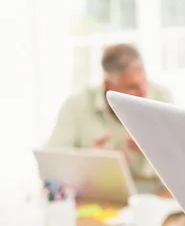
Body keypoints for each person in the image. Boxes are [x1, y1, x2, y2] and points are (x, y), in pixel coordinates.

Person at [47, 43, 173, 178]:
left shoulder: (162, 99)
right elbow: (51, 167)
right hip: (96, 195)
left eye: (145, 81)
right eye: (132, 87)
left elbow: (180, 164)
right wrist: (89, 162)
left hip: (153, 194)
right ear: (108, 85)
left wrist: (153, 151)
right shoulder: (75, 106)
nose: (144, 91)